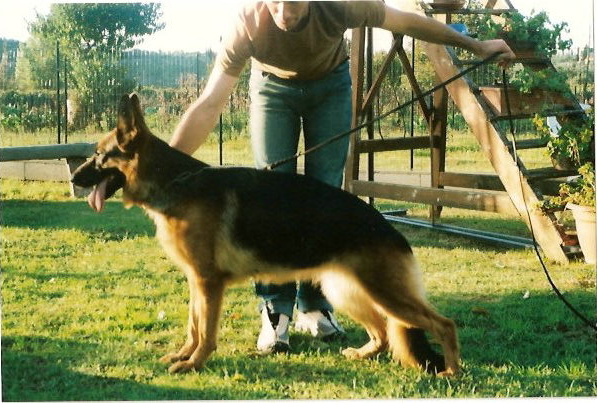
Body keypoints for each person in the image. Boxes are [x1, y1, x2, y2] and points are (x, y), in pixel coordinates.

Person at [169, 1, 515, 355]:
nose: (285, 13)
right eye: (275, 2)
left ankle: (316, 305)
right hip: (272, 88)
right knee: (271, 201)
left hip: (329, 86)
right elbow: (210, 102)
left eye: (294, 3)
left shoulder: (340, 5)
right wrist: (166, 170)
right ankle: (275, 311)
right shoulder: (246, 23)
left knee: (326, 197)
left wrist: (477, 46)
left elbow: (408, 22)